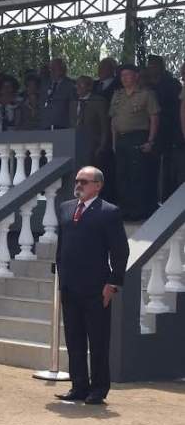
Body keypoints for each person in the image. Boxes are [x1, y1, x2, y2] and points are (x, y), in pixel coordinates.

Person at [53, 166, 127, 405]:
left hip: (96, 288)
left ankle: (98, 388)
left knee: (97, 341)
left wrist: (113, 283)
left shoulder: (109, 212)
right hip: (70, 287)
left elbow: (120, 251)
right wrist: (61, 277)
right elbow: (61, 246)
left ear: (98, 185)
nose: (79, 185)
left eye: (84, 181)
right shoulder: (66, 208)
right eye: (77, 181)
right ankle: (78, 385)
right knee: (74, 340)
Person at [109, 63, 160, 221]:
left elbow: (154, 117)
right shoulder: (117, 95)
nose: (124, 78)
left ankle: (139, 211)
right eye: (122, 75)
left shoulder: (146, 94)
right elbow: (113, 120)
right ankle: (125, 210)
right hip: (121, 139)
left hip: (138, 136)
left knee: (137, 175)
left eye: (128, 75)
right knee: (122, 175)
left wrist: (150, 140)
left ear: (136, 76)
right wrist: (113, 142)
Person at [144, 55, 185, 199]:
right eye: (149, 65)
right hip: (150, 131)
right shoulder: (146, 85)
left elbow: (178, 109)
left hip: (170, 131)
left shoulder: (172, 84)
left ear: (161, 66)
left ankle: (169, 199)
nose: (150, 68)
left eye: (154, 65)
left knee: (170, 168)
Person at [75, 76, 111, 170]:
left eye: (81, 84)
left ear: (89, 87)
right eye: (77, 84)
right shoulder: (73, 102)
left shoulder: (99, 101)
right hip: (75, 145)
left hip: (93, 145)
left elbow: (105, 126)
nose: (77, 87)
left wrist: (102, 146)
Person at [39, 58, 77, 130]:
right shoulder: (44, 84)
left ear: (63, 70)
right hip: (44, 127)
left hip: (63, 128)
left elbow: (73, 108)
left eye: (55, 68)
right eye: (51, 68)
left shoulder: (71, 85)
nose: (52, 71)